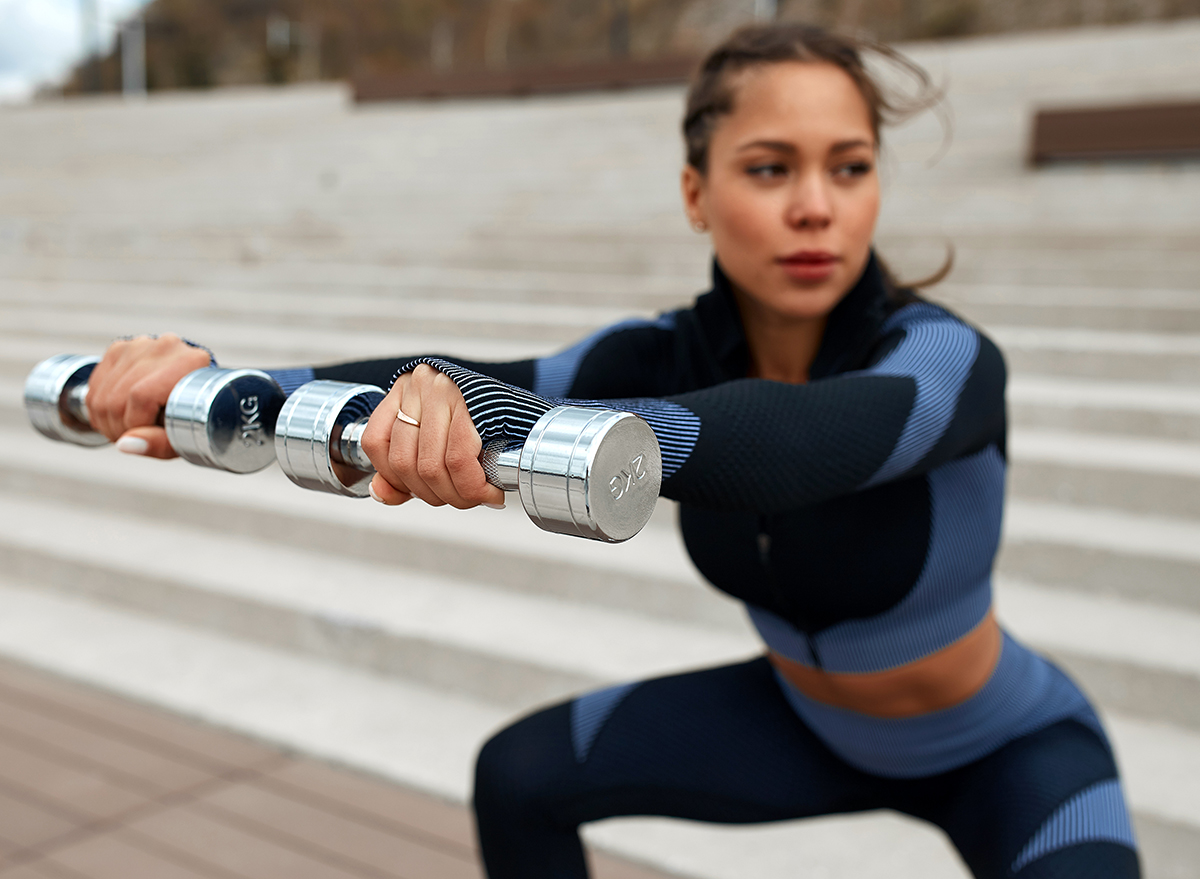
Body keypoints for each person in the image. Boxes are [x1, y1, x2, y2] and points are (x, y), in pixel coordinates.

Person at [85, 24, 1139, 879]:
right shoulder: (654, 354)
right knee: (521, 776)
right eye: (770, 168)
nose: (816, 205)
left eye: (849, 168)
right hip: (800, 723)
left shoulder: (946, 356)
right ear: (696, 194)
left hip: (1008, 751)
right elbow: (460, 367)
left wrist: (497, 421)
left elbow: (793, 446)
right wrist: (218, 390)